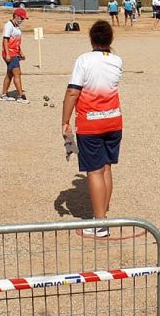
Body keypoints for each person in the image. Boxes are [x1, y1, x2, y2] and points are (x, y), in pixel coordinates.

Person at [62, 20, 123, 238]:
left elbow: (72, 92)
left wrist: (65, 120)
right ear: (110, 39)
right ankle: (103, 214)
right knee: (106, 168)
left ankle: (100, 223)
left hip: (91, 123)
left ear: (91, 39)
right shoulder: (116, 60)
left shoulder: (84, 60)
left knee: (94, 170)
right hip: (114, 121)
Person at [0, 8, 30, 104]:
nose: (23, 20)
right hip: (10, 53)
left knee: (10, 74)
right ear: (16, 16)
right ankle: (21, 96)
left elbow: (17, 41)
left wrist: (21, 52)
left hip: (15, 53)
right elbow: (5, 40)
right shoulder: (9, 26)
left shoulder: (17, 26)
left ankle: (4, 95)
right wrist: (8, 54)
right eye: (22, 18)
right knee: (17, 73)